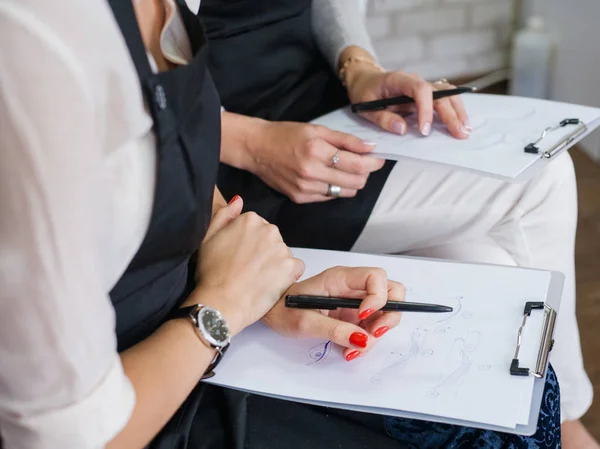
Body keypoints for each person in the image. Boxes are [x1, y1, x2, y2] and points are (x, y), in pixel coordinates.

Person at [0, 0, 559, 448]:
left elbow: (171, 152)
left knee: (520, 390)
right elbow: (67, 435)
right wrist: (219, 312)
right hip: (152, 390)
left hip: (199, 322)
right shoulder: (41, 48)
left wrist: (270, 288)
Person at [198, 1, 597, 447]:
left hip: (327, 107)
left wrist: (359, 66)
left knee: (487, 260)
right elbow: (145, 84)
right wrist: (250, 144)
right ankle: (565, 420)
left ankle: (542, 413)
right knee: (544, 176)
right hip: (221, 154)